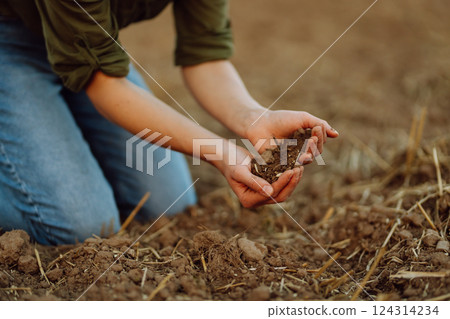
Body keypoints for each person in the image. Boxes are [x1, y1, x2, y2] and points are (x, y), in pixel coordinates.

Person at [0, 0, 338, 245]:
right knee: (79, 225)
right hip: (11, 42)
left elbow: (205, 57)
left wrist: (255, 117)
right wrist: (220, 153)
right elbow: (105, 86)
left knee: (167, 202)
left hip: (92, 49)